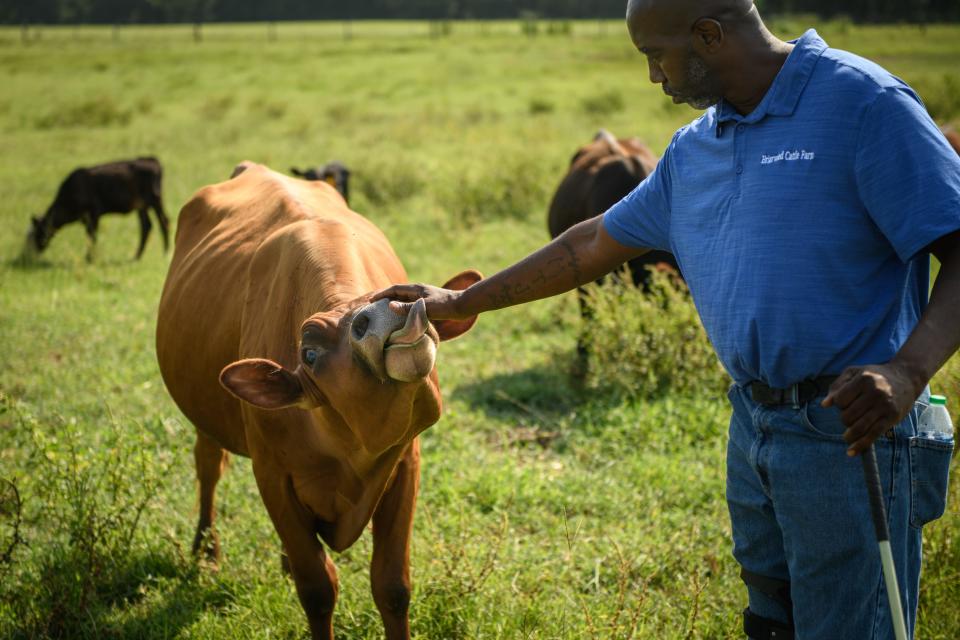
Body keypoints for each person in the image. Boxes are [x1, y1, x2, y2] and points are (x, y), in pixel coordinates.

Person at [374, 0, 960, 637]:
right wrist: (463, 302)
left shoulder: (865, 105)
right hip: (755, 424)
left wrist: (907, 372)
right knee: (771, 620)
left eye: (657, 55)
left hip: (852, 437)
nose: (655, 76)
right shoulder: (697, 147)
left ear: (708, 35)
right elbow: (593, 243)